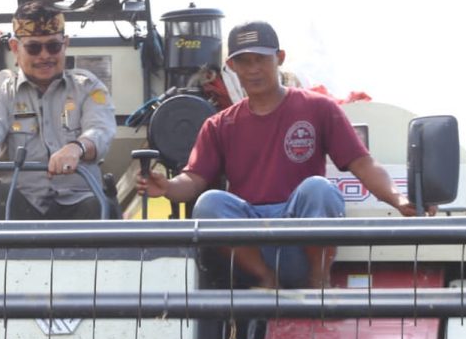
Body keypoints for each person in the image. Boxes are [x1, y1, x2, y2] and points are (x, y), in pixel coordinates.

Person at [137, 20, 420, 288]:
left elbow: (363, 163)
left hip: (301, 236)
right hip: (250, 244)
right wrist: (167, 187)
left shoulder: (319, 108)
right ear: (231, 67)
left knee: (319, 189)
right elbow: (194, 180)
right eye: (244, 61)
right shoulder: (219, 125)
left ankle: (318, 283)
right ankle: (266, 281)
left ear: (280, 58)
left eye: (261, 59)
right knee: (210, 202)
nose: (253, 69)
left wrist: (399, 199)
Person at [0, 0, 117, 219]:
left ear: (65, 44)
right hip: (18, 203)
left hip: (81, 200)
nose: (44, 55)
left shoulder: (88, 87)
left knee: (104, 209)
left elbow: (101, 130)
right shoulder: (2, 91)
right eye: (34, 48)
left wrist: (77, 147)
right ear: (15, 48)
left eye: (53, 46)